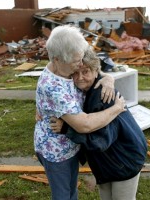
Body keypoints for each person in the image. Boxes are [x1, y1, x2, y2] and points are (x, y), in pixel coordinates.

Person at [34, 25, 126, 200]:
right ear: (57, 59)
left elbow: (91, 67)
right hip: (56, 151)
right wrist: (117, 108)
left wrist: (108, 77)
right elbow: (85, 124)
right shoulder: (54, 88)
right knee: (63, 195)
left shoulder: (62, 66)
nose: (80, 64)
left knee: (72, 191)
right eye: (76, 61)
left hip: (70, 145)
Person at [53, 47, 147, 200]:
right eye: (75, 73)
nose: (80, 77)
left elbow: (100, 140)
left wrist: (67, 128)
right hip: (108, 162)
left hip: (123, 159)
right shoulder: (85, 91)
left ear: (96, 71)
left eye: (86, 72)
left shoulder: (104, 96)